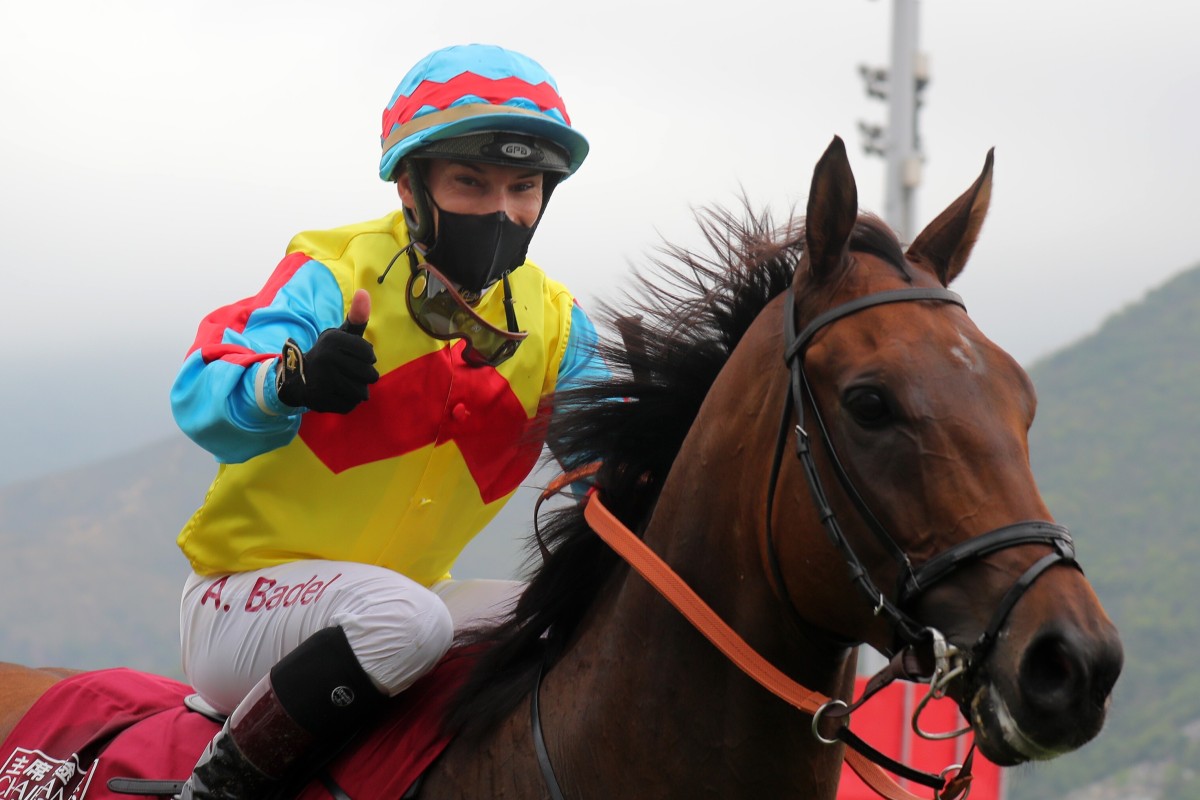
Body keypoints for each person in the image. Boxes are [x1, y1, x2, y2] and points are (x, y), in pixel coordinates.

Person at [169, 43, 607, 799]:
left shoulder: (559, 327)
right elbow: (201, 395)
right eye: (471, 181)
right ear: (411, 184)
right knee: (406, 621)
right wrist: (290, 383)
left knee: (566, 620)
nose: (502, 211)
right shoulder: (331, 273)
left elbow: (621, 463)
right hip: (242, 603)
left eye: (524, 187)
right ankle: (212, 791)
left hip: (404, 599)